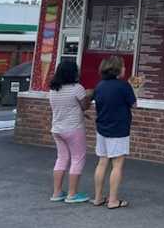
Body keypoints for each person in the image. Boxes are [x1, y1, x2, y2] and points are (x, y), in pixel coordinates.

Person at [91, 56, 136, 209]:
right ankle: (113, 200)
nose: (125, 69)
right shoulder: (124, 86)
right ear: (117, 69)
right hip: (119, 129)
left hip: (102, 128)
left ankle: (97, 198)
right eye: (123, 66)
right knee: (117, 165)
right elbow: (134, 104)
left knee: (102, 162)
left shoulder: (99, 86)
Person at [48, 60, 92, 203]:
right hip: (73, 129)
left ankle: (57, 192)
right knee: (78, 158)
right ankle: (72, 194)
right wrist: (89, 95)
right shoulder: (77, 88)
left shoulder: (53, 89)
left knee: (61, 158)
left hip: (57, 129)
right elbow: (85, 106)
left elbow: (64, 108)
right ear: (72, 72)